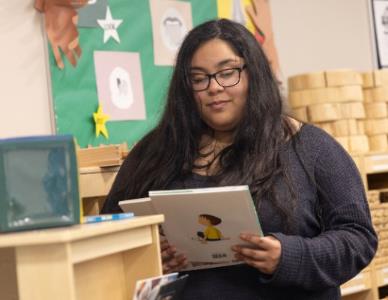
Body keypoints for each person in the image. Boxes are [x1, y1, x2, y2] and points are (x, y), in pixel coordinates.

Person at [101, 18, 377, 299]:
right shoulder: (153, 153)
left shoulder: (310, 147)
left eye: (228, 72)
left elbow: (358, 238)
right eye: (198, 78)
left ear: (253, 74)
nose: (214, 87)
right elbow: (108, 235)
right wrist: (146, 258)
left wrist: (289, 257)